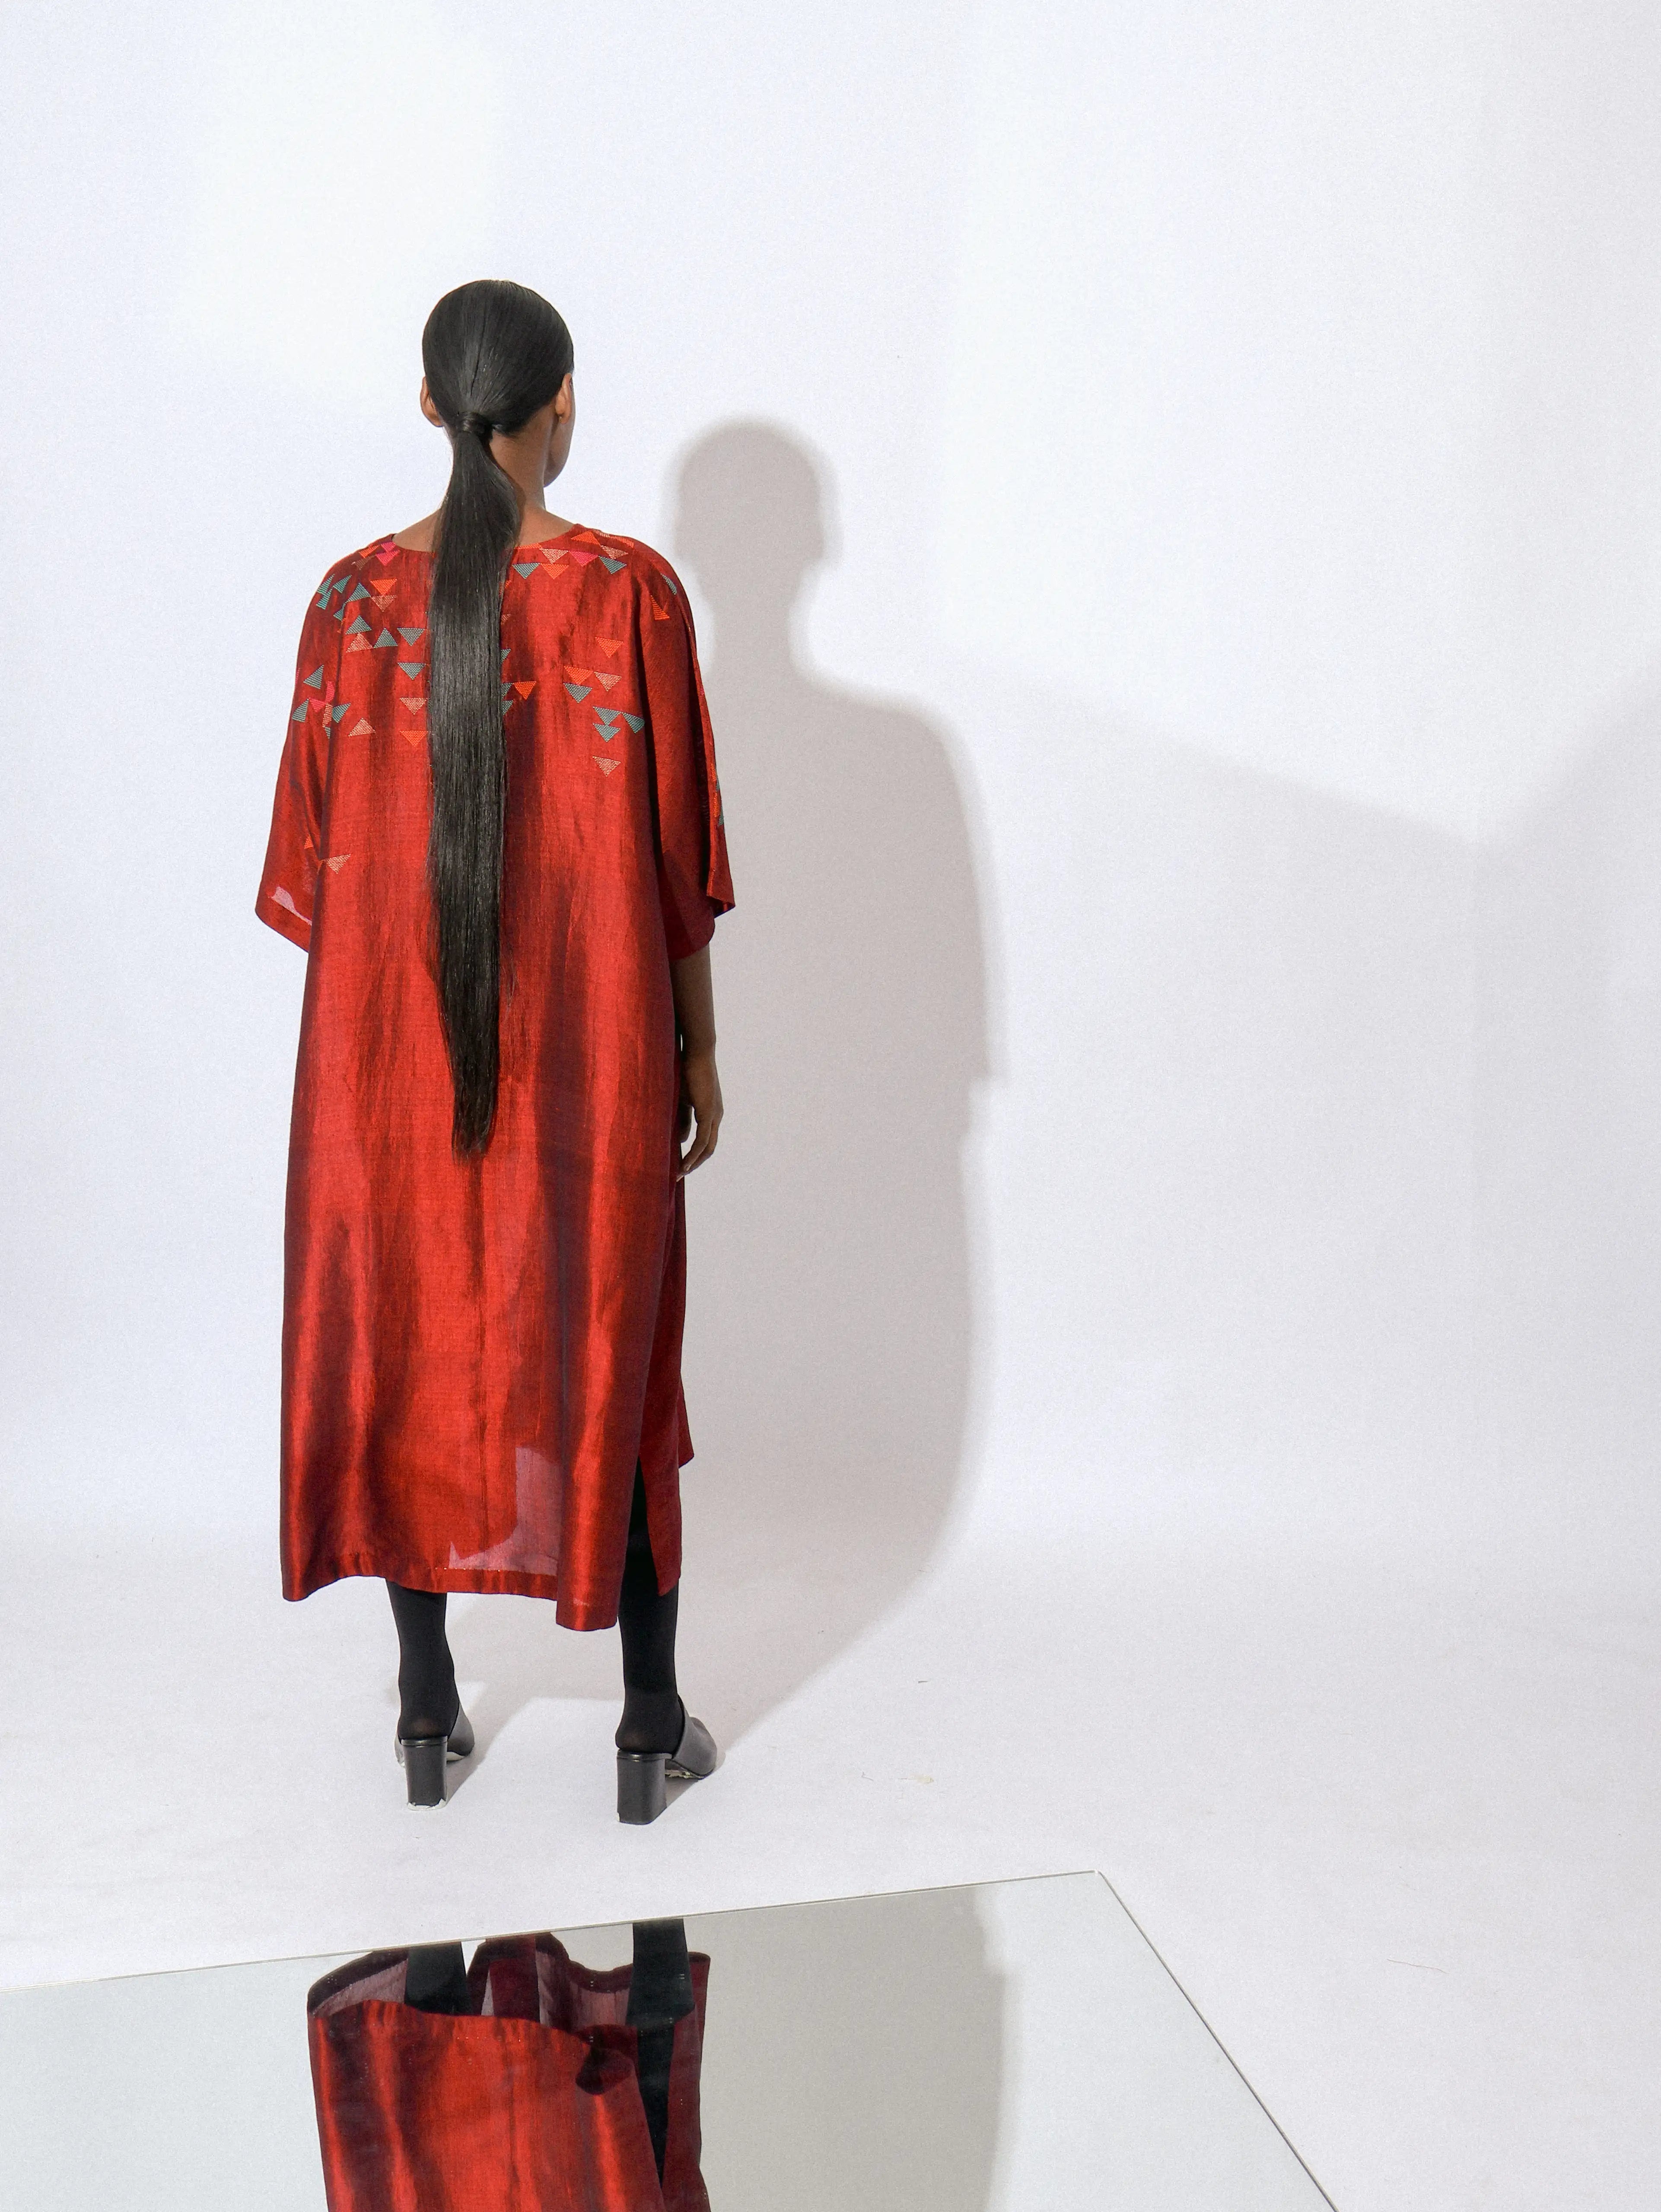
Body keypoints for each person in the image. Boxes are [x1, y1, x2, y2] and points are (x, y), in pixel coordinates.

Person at [256, 280, 732, 1820]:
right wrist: (697, 1051)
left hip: (385, 1078)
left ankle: (425, 1710)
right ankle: (646, 1722)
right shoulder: (630, 594)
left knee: (409, 1346)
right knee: (611, 1341)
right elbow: (675, 867)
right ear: (563, 402)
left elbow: (313, 868)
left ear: (427, 406)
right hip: (594, 1059)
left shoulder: (348, 605)